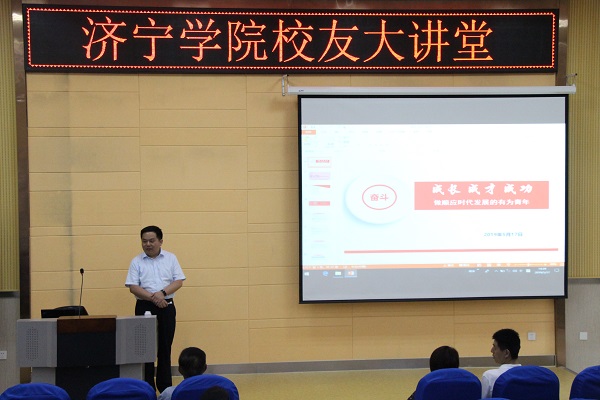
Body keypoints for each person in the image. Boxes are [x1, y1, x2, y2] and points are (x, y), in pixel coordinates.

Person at [125, 225, 186, 393]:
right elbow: (133, 287)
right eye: (144, 241)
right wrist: (154, 298)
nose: (148, 244)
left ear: (160, 241)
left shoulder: (171, 258)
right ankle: (147, 387)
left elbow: (178, 281)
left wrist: (162, 294)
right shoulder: (136, 261)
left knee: (165, 347)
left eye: (151, 241)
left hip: (166, 306)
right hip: (144, 305)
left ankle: (165, 387)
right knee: (145, 349)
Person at [481, 328, 522, 398]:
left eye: (495, 347)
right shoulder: (531, 376)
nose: (491, 350)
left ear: (506, 353)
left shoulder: (489, 376)